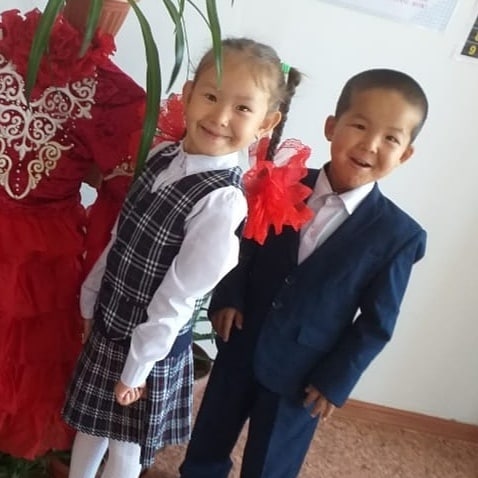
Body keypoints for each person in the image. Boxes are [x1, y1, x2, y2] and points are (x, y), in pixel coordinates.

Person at [61, 37, 304, 478]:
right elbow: (121, 236)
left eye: (242, 108)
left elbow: (178, 297)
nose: (220, 117)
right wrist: (90, 299)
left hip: (148, 346)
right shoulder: (161, 157)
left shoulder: (222, 201)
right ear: (189, 95)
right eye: (211, 96)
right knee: (91, 424)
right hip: (111, 323)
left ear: (266, 122)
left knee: (125, 443)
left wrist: (137, 368)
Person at [179, 68, 429, 478]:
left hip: (303, 374)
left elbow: (377, 323)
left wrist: (336, 380)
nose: (370, 144)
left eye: (390, 138)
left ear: (405, 154)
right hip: (242, 341)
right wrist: (229, 296)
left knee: (272, 465)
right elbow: (242, 245)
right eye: (359, 126)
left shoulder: (398, 236)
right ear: (331, 127)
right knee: (208, 440)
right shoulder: (280, 185)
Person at [0, 6, 146, 459]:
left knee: (27, 363)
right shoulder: (8, 45)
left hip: (45, 252)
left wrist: (98, 285)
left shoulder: (118, 97)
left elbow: (117, 200)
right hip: (46, 242)